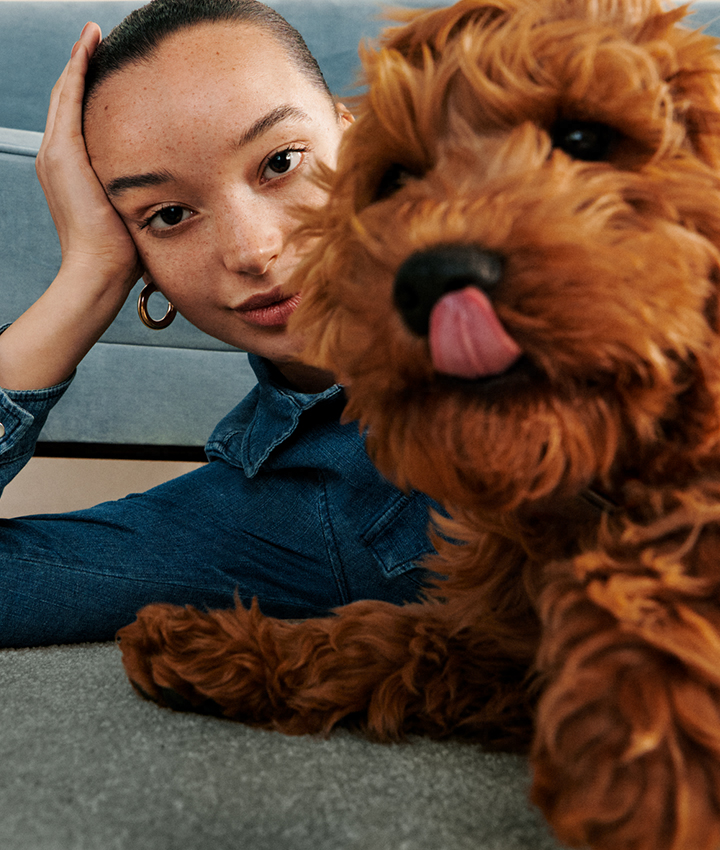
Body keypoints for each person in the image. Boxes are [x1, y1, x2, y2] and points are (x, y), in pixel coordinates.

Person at [0, 0, 436, 647]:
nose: (251, 250)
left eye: (281, 162)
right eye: (169, 215)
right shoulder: (278, 518)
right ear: (140, 262)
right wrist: (86, 280)